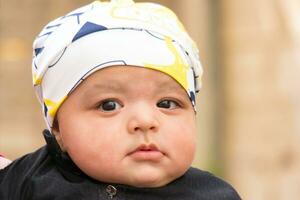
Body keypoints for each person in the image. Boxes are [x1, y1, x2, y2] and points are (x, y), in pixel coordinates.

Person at [0, 0, 241, 199]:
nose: (145, 121)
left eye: (167, 104)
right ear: (58, 128)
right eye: (109, 105)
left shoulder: (213, 195)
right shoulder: (26, 182)